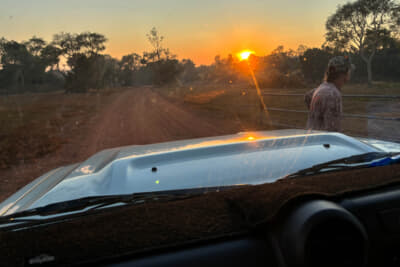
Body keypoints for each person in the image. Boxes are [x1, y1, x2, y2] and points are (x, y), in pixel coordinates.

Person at [305, 56, 355, 132]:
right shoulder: (333, 94)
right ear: (344, 74)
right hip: (323, 141)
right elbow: (333, 130)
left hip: (311, 137)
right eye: (349, 71)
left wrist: (317, 115)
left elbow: (307, 96)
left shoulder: (321, 88)